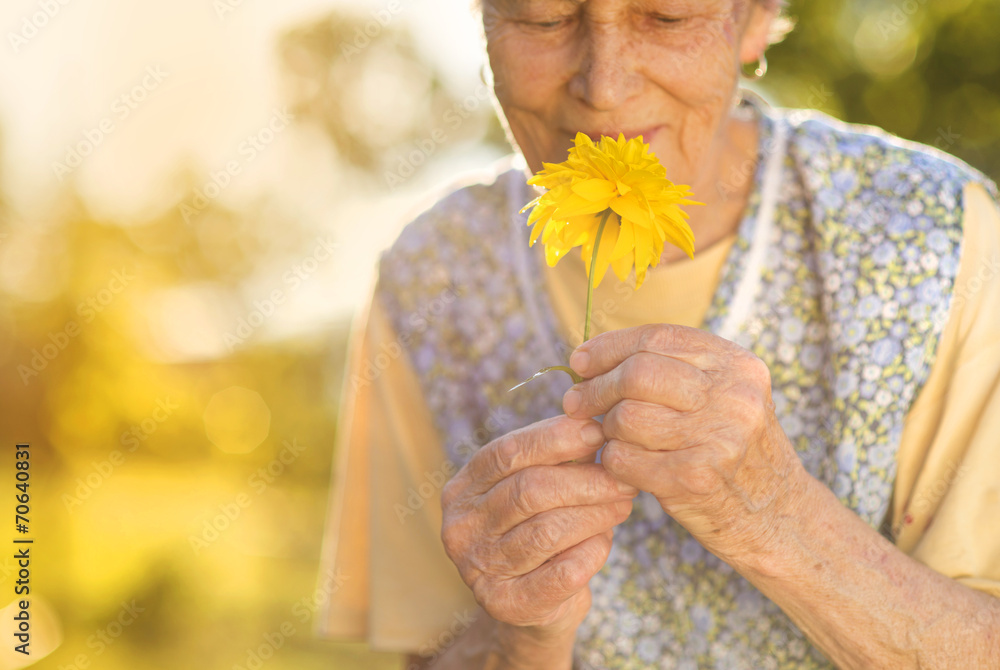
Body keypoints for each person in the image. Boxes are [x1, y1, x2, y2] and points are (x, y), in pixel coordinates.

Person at [315, 1, 1000, 667]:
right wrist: (517, 642)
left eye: (667, 17)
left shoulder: (934, 237)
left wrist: (776, 518)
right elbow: (429, 656)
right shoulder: (432, 276)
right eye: (543, 18)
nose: (604, 88)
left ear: (756, 20)